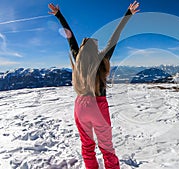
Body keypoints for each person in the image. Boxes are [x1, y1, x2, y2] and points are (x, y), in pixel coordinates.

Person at [48, 1, 140, 169]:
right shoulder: (101, 61)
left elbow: (70, 37)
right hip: (98, 107)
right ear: (95, 50)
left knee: (87, 147)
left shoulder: (78, 58)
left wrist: (59, 15)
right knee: (106, 148)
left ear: (82, 50)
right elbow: (115, 37)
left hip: (81, 106)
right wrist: (128, 14)